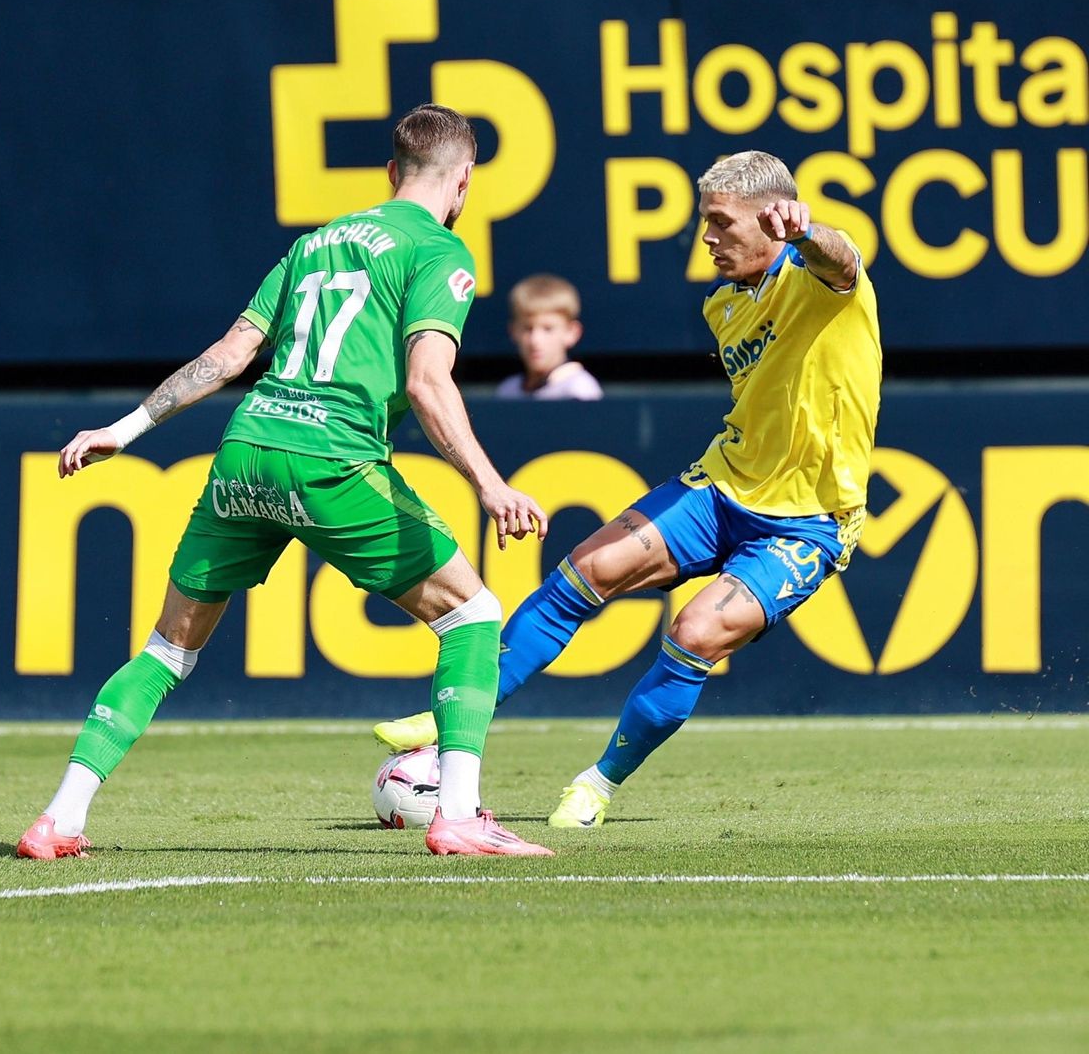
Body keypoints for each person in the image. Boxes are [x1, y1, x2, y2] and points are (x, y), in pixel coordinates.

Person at [19, 104, 553, 859]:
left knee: (167, 650)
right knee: (472, 615)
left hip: (248, 450)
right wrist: (491, 485)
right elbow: (428, 382)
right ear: (464, 179)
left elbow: (230, 354)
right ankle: (459, 814)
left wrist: (126, 428)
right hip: (331, 458)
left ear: (391, 172)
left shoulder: (314, 244)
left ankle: (59, 819)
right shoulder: (439, 251)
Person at [374, 150, 880, 829]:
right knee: (585, 570)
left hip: (808, 520)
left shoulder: (823, 283)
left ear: (771, 219)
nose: (707, 238)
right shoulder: (724, 304)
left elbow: (842, 259)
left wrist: (808, 231)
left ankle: (597, 783)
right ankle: (456, 716)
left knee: (696, 631)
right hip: (722, 486)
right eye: (706, 222)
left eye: (721, 223)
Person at [493, 274, 602, 400]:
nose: (535, 340)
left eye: (548, 329)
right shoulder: (507, 391)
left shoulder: (580, 390)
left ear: (572, 332)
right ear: (513, 331)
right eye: (528, 328)